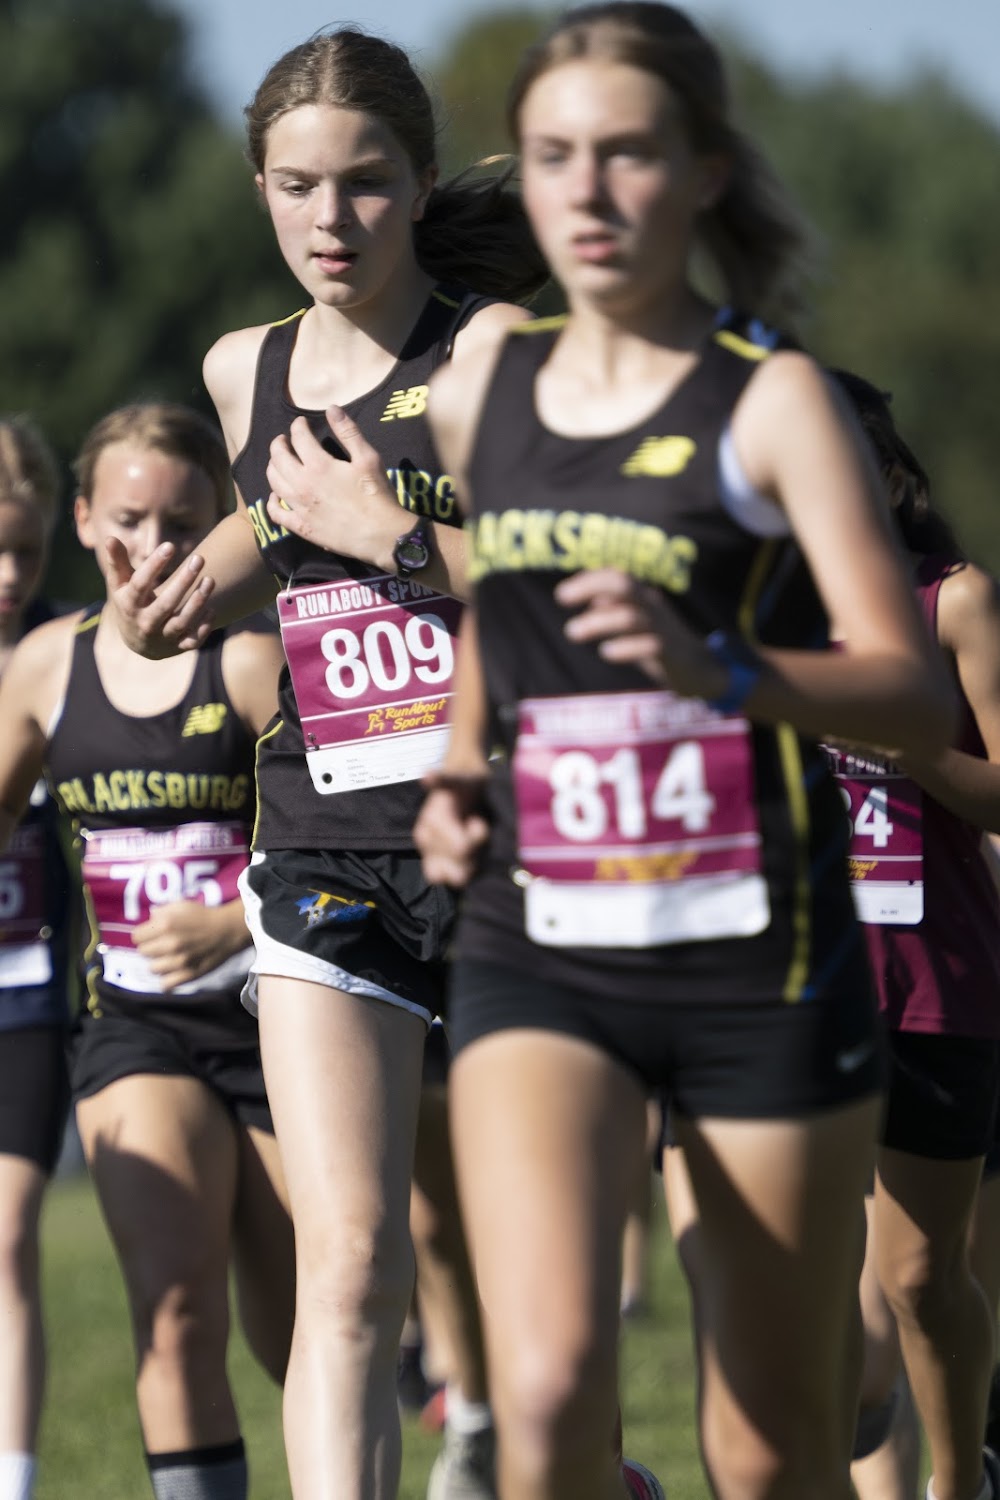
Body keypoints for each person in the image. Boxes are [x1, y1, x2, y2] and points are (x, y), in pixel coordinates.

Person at [412, 6, 958, 1499]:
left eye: (628, 154)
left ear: (704, 171)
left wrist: (720, 666)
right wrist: (459, 770)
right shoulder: (481, 391)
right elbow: (499, 621)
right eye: (552, 157)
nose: (587, 192)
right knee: (543, 1399)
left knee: (768, 1447)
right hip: (540, 937)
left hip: (753, 955)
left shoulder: (769, 398)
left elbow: (913, 694)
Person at [101, 26, 556, 1500]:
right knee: (348, 1262)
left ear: (418, 184)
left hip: (506, 843)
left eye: (363, 184)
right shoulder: (246, 368)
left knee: (539, 1280)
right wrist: (176, 596)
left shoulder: (492, 352)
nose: (329, 218)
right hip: (322, 843)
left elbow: (571, 595)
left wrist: (398, 541)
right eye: (296, 186)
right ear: (260, 190)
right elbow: (274, 531)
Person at [0, 402, 294, 1500]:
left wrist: (239, 918)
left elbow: (345, 846)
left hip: (280, 1022)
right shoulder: (46, 666)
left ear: (224, 522)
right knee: (173, 1317)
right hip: (135, 1029)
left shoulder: (257, 660)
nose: (156, 550)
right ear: (83, 520)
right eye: (128, 521)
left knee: (310, 1328)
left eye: (183, 524)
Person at [822, 371, 1000, 1500]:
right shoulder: (745, 616)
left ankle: (959, 1478)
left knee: (924, 1276)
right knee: (805, 1280)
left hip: (936, 984)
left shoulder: (956, 603)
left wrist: (908, 748)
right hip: (789, 988)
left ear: (890, 479)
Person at [0, 417, 73, 1500]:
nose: (10, 575)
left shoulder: (74, 649)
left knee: (7, 1235)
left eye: (25, 549)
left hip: (29, 990)